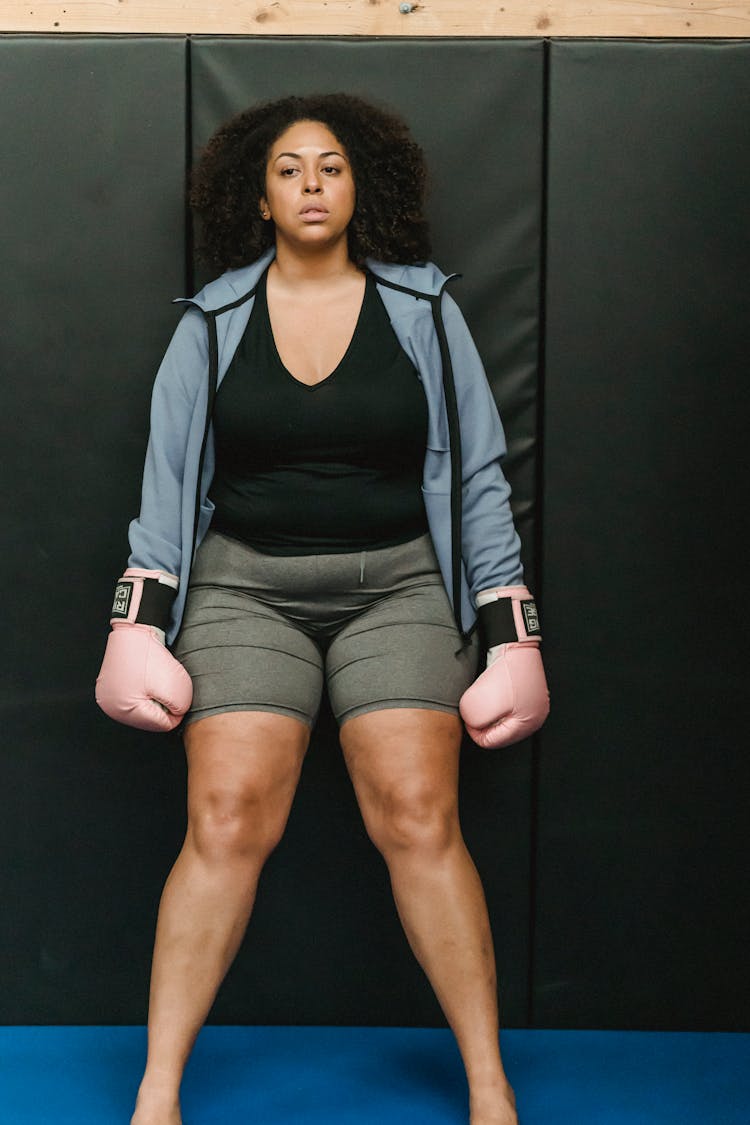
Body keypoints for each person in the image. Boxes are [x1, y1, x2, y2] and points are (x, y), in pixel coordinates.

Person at [96, 92, 549, 1125]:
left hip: (396, 583)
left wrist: (510, 633)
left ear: (361, 186)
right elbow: (165, 487)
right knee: (225, 816)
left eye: (332, 167)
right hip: (244, 584)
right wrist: (136, 622)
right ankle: (156, 1093)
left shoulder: (429, 312)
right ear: (258, 196)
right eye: (291, 169)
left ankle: (490, 1088)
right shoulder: (211, 322)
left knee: (419, 815)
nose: (311, 184)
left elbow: (479, 477)